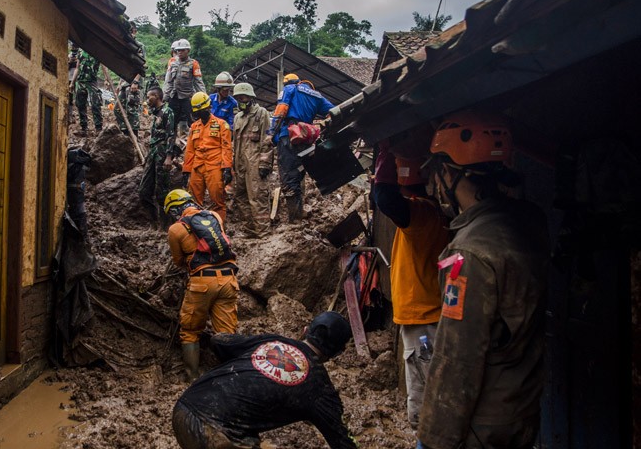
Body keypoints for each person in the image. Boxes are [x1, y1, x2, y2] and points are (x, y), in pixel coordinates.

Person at [417, 110, 549, 449]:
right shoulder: (531, 221)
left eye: (437, 172)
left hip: (483, 426)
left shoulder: (468, 253)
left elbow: (457, 357)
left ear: (449, 173)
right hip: (522, 409)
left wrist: (434, 439)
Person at [171, 311, 358, 449]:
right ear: (337, 354)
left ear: (305, 330)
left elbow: (219, 340)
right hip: (215, 432)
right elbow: (343, 441)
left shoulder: (273, 341)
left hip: (185, 406)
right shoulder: (320, 388)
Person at [372, 127, 449, 429]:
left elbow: (385, 198)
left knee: (426, 402)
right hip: (432, 312)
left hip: (424, 318)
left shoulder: (422, 214)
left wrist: (384, 153)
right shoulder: (440, 212)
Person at [164, 189, 239, 382]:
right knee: (227, 333)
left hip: (202, 283)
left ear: (175, 210)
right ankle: (231, 377)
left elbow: (178, 261)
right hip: (229, 279)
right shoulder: (214, 216)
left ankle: (193, 378)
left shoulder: (175, 229)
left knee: (190, 331)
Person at [268, 73, 334, 222]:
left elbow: (281, 110)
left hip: (288, 136)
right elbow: (333, 112)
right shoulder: (317, 95)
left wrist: (271, 133)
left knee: (288, 175)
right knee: (299, 172)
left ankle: (294, 217)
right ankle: (299, 211)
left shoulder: (290, 89)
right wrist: (321, 128)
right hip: (306, 139)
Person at [181, 92, 233, 222]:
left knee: (217, 200)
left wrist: (227, 168)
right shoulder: (194, 127)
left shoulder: (221, 125)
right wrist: (186, 171)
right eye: (197, 112)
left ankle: (219, 228)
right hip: (197, 167)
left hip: (214, 166)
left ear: (209, 107)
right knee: (193, 202)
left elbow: (226, 147)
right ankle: (196, 228)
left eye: (202, 110)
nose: (200, 114)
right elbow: (190, 150)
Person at [232, 82, 274, 237]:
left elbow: (267, 140)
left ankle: (262, 231)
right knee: (241, 197)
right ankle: (249, 229)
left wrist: (265, 163)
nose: (241, 100)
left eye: (243, 97)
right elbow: (235, 143)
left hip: (255, 163)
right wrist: (234, 163)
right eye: (238, 98)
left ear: (251, 97)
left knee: (257, 197)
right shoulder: (238, 117)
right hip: (240, 164)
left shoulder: (261, 113)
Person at [139, 86, 177, 229]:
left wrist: (169, 156)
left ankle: (165, 226)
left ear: (157, 96)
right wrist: (148, 156)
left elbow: (171, 135)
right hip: (153, 152)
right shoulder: (156, 114)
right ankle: (154, 222)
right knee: (144, 191)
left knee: (162, 191)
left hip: (162, 153)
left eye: (149, 97)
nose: (147, 100)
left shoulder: (168, 111)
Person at [163, 39, 206, 137]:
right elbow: (168, 81)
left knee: (193, 122)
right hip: (174, 96)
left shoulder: (193, 63)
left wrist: (204, 98)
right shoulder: (172, 62)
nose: (180, 52)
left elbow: (198, 82)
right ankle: (171, 143)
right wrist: (165, 96)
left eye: (182, 50)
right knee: (171, 123)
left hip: (187, 98)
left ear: (188, 51)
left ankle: (195, 141)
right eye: (178, 50)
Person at [69, 48, 102, 135]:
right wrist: (72, 83)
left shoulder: (98, 52)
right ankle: (84, 128)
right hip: (81, 81)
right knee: (80, 104)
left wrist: (106, 79)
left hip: (92, 81)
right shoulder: (81, 53)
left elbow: (104, 66)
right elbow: (77, 68)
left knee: (96, 104)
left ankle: (98, 128)